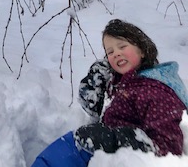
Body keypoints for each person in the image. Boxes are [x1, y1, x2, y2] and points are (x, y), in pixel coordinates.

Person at [30, 19, 188, 166]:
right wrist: (93, 90)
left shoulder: (155, 90)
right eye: (109, 52)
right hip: (105, 152)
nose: (116, 53)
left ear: (143, 50)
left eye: (122, 46)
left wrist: (117, 140)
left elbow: (168, 147)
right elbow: (104, 113)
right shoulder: (124, 82)